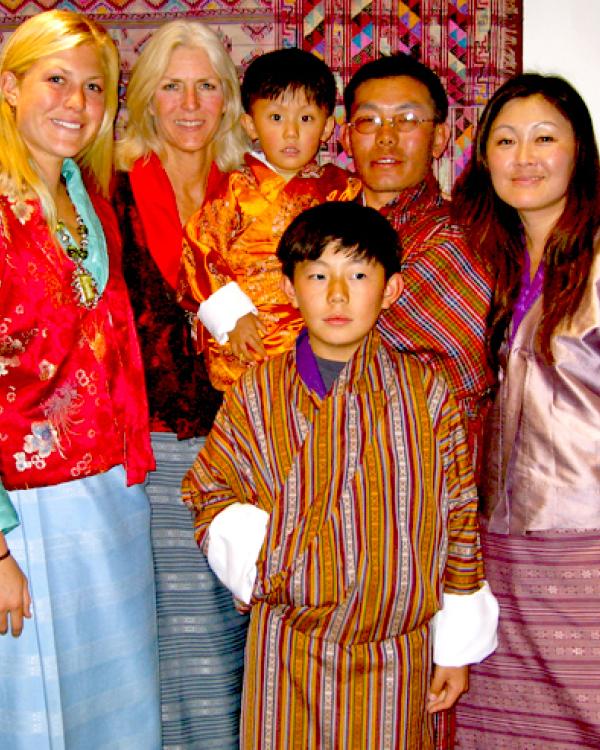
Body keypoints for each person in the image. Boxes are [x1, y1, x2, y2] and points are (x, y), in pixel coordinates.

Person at [182, 201, 499, 750]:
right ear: (288, 287)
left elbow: (458, 516)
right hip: (287, 649)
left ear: (392, 290)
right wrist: (260, 566)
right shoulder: (258, 394)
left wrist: (454, 646)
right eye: (318, 276)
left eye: (357, 276)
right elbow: (211, 491)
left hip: (398, 654)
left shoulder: (426, 392)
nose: (336, 296)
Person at [0, 10, 160, 749]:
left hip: (111, 492)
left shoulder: (92, 203)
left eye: (94, 87)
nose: (76, 102)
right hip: (22, 511)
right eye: (55, 79)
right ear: (9, 86)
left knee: (113, 706)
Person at [112, 20, 250, 749]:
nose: (190, 103)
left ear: (227, 99)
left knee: (239, 624)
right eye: (172, 85)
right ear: (146, 99)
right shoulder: (109, 190)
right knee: (170, 631)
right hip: (151, 449)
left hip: (249, 450)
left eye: (206, 85)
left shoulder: (255, 191)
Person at [452, 74, 600, 749]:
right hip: (499, 545)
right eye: (505, 141)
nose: (525, 156)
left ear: (580, 151)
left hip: (585, 542)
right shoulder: (489, 259)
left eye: (545, 138)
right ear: (483, 158)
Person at [340, 53, 494, 471]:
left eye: (407, 119)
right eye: (368, 121)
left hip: (437, 468)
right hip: (327, 467)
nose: (386, 137)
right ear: (346, 137)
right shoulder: (315, 229)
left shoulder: (466, 240)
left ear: (440, 137)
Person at [178, 47, 361, 391]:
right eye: (276, 118)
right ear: (250, 124)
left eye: (306, 119)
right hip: (251, 333)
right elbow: (200, 251)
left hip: (320, 332)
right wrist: (231, 317)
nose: (291, 133)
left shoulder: (342, 190)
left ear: (326, 127)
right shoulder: (234, 190)